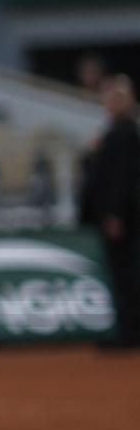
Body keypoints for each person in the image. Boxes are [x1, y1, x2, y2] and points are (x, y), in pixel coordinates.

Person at [80, 74, 140, 349]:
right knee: (121, 273)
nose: (109, 104)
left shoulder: (124, 132)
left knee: (125, 273)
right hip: (117, 215)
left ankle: (128, 332)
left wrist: (115, 213)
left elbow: (123, 178)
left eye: (115, 99)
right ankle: (127, 329)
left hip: (122, 217)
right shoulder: (115, 132)